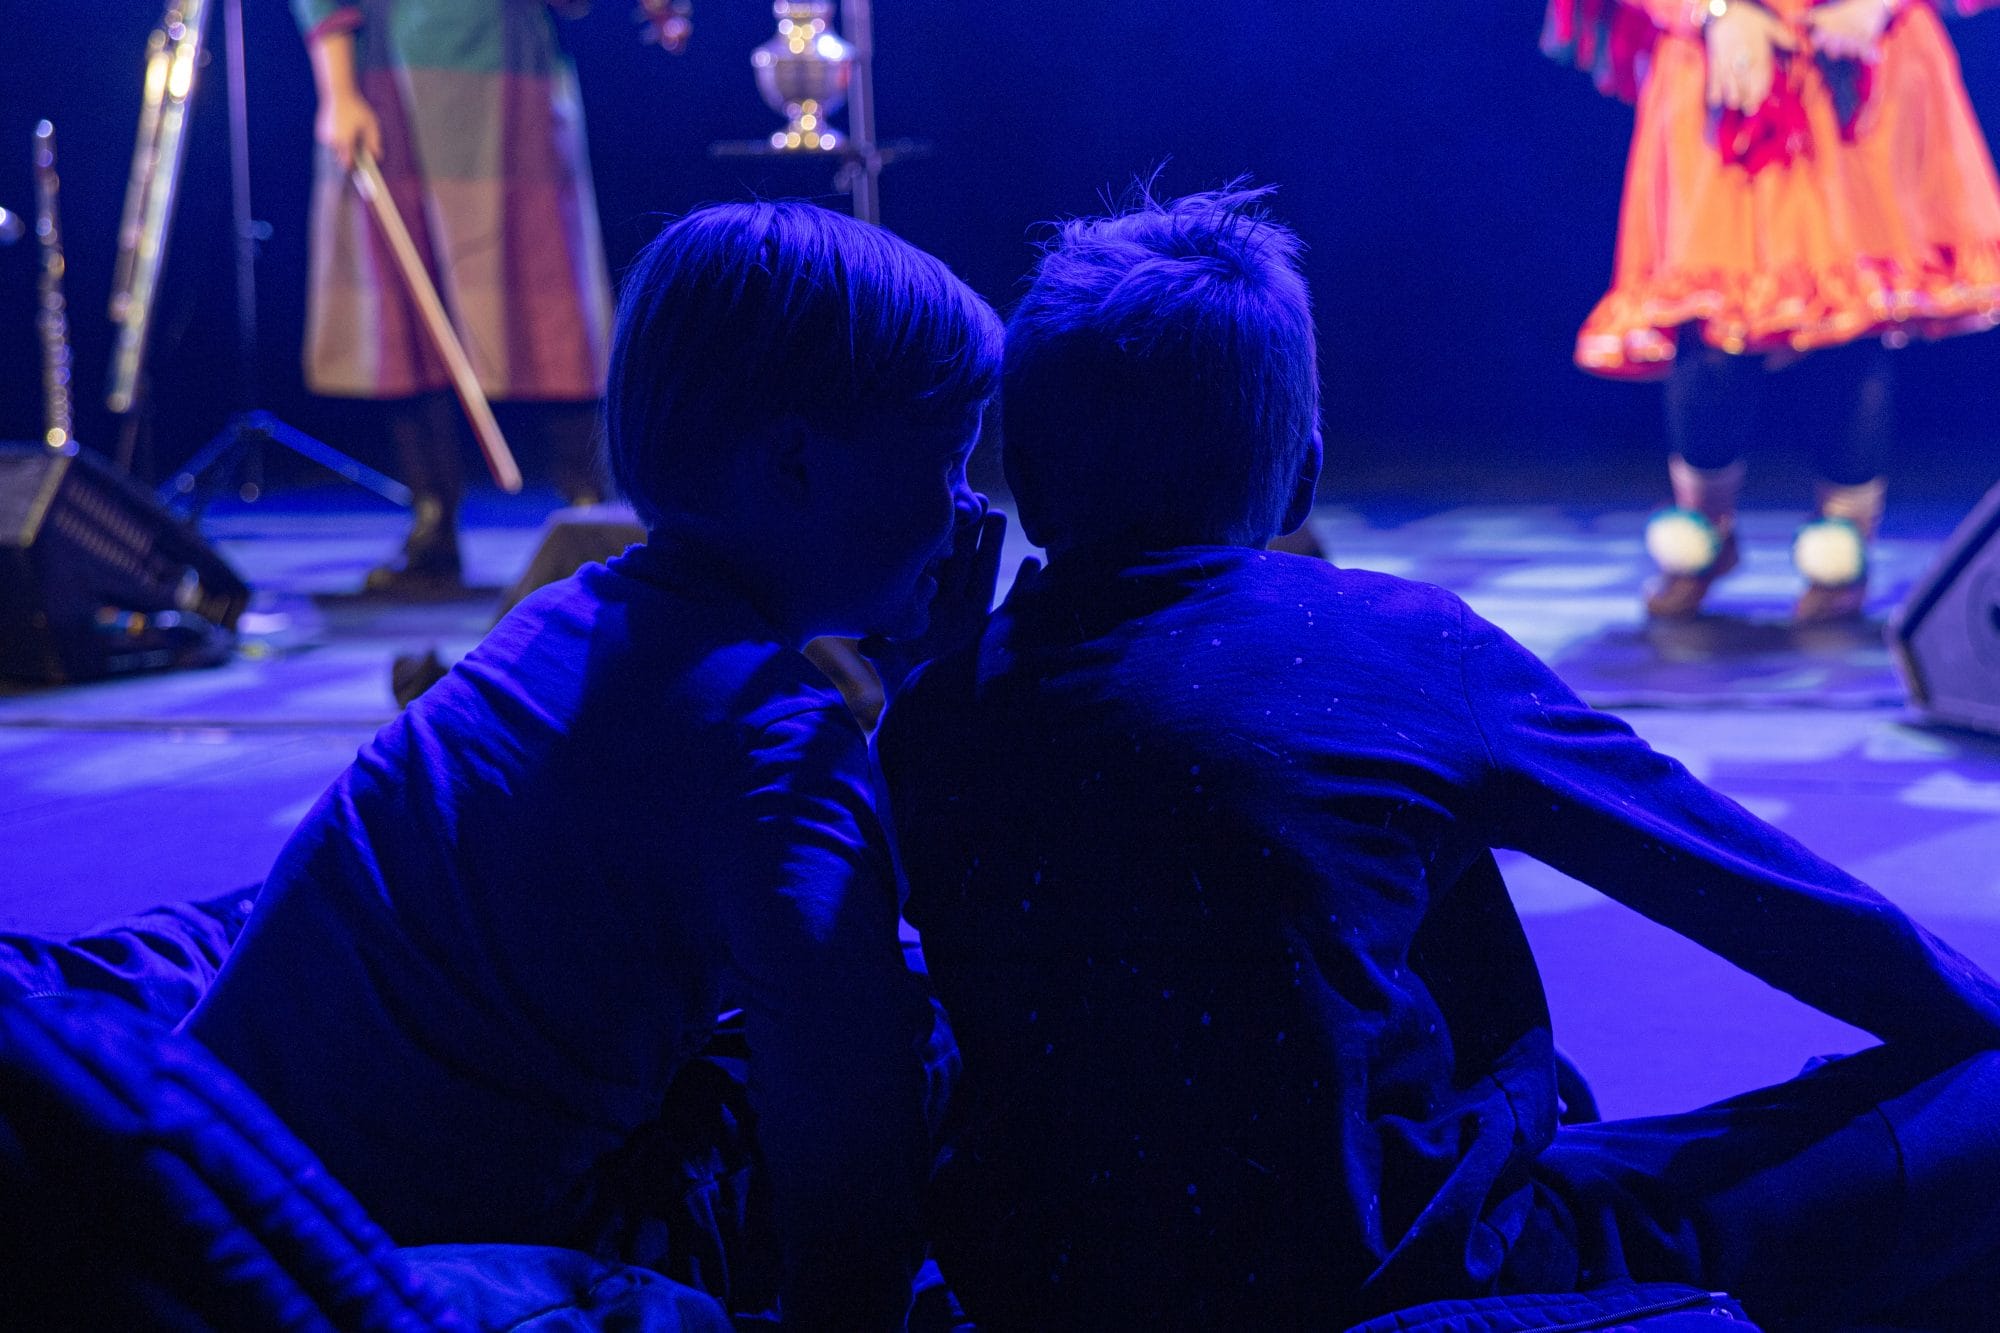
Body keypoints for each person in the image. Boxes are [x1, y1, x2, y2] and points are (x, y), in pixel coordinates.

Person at [873, 185, 2000, 1330]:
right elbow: (1758, 893)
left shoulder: (929, 713)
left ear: (1023, 476)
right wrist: (1974, 1023)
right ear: (1302, 476)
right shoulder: (1397, 643)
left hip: (1051, 1292)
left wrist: (942, 674)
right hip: (1412, 1278)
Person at [185, 200, 1005, 1327]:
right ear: (794, 464)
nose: (969, 507)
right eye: (946, 459)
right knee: (938, 1039)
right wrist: (946, 710)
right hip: (390, 1272)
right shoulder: (778, 745)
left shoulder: (559, 618)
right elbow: (850, 1158)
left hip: (223, 1204)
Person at [1543, 0, 2000, 620]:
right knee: (1709, 325)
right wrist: (1715, 12)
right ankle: (1702, 532)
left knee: (1851, 322)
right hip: (1721, 65)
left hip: (1857, 67)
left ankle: (1842, 546)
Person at [297, 0, 643, 593]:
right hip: (389, 72)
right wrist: (339, 91)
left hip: (512, 63)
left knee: (548, 285)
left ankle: (593, 515)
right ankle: (432, 523)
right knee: (405, 301)